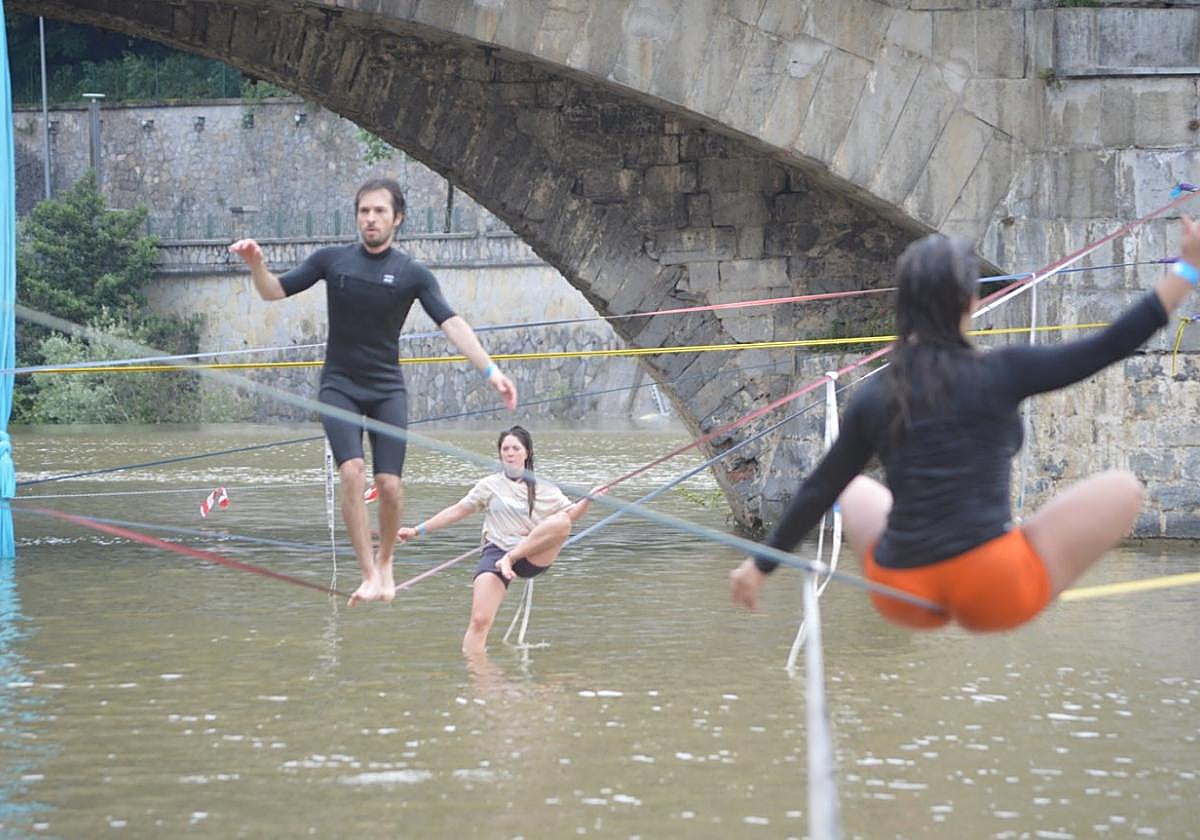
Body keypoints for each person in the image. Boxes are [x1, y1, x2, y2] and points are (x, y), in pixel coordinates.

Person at [730, 217, 1200, 631]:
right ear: (970, 301)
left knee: (850, 489)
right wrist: (1187, 269)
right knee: (1123, 487)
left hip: (905, 594)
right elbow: (1108, 346)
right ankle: (1040, 580)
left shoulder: (876, 394)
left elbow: (819, 489)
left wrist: (759, 566)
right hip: (995, 590)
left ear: (904, 305)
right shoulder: (1002, 372)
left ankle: (1003, 565)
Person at [229, 178, 518, 607]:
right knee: (352, 472)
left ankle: (386, 564)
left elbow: (451, 322)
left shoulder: (411, 274)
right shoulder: (333, 261)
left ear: (397, 218)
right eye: (364, 211)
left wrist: (491, 370)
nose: (371, 218)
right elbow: (275, 290)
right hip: (339, 385)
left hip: (386, 388)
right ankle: (366, 573)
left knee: (390, 484)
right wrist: (256, 265)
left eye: (380, 211)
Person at [397, 425, 604, 653]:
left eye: (516, 448)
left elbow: (570, 517)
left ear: (527, 453)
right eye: (505, 449)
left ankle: (510, 558)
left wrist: (588, 500)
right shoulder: (490, 485)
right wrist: (417, 530)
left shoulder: (545, 488)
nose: (510, 453)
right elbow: (457, 510)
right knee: (479, 621)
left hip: (530, 555)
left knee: (562, 522)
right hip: (496, 552)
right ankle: (478, 676)